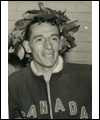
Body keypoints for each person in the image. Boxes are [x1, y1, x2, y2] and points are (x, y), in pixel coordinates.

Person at [8, 2, 92, 119]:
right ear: (27, 46)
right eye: (39, 39)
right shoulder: (13, 84)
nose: (48, 46)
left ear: (60, 43)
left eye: (53, 38)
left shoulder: (89, 76)